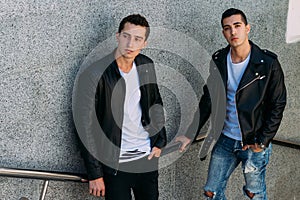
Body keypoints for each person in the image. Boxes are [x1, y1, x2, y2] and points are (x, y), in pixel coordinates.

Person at [176, 8, 286, 199]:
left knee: (254, 194)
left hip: (254, 141)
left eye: (237, 26)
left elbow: (277, 104)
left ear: (247, 28)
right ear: (223, 33)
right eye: (227, 28)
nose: (233, 32)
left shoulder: (267, 63)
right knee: (211, 192)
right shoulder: (219, 60)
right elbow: (207, 99)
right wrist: (190, 134)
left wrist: (262, 141)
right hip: (226, 139)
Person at [73, 14, 167, 200]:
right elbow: (83, 126)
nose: (130, 44)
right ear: (117, 36)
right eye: (126, 36)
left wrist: (159, 142)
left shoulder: (146, 65)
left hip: (146, 160)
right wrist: (95, 173)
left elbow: (155, 101)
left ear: (144, 43)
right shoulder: (95, 74)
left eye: (137, 39)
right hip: (115, 164)